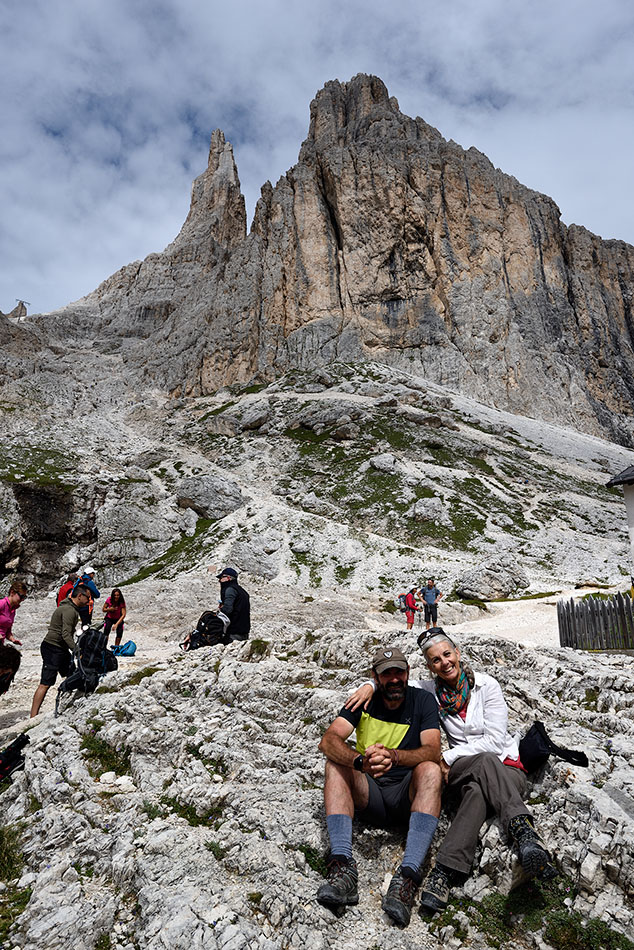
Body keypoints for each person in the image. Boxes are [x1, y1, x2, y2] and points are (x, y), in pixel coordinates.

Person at [346, 628, 554, 916]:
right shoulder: (430, 690)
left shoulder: (486, 686)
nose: (444, 662)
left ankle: (444, 870)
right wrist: (369, 684)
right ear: (430, 666)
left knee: (478, 789)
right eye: (435, 660)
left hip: (504, 767)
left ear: (457, 653)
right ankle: (524, 832)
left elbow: (494, 741)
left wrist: (446, 756)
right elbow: (394, 681)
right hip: (462, 769)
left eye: (447, 654)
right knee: (479, 766)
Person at [317, 646, 442, 927]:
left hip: (405, 795)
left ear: (408, 673)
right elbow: (328, 741)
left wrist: (395, 757)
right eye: (387, 674)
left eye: (399, 672)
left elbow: (433, 750)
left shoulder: (422, 700)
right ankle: (343, 868)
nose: (395, 679)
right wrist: (360, 762)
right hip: (368, 791)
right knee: (335, 764)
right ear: (376, 677)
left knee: (432, 771)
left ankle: (408, 876)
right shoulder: (362, 701)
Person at [30, 584, 91, 718]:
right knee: (45, 683)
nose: (89, 601)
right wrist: (77, 650)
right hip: (52, 648)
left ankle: (68, 707)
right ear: (80, 596)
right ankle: (33, 717)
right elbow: (65, 634)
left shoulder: (69, 608)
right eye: (88, 597)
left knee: (72, 675)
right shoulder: (70, 611)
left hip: (60, 649)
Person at [216, 568, 250, 641]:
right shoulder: (242, 591)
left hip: (233, 633)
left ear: (228, 578)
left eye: (221, 578)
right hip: (244, 632)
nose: (219, 580)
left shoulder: (230, 590)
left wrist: (221, 610)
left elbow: (227, 610)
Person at [0, 579, 28, 646]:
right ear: (12, 593)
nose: (22, 599)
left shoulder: (13, 610)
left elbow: (7, 631)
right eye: (21, 596)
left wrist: (13, 640)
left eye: (24, 597)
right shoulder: (1, 604)